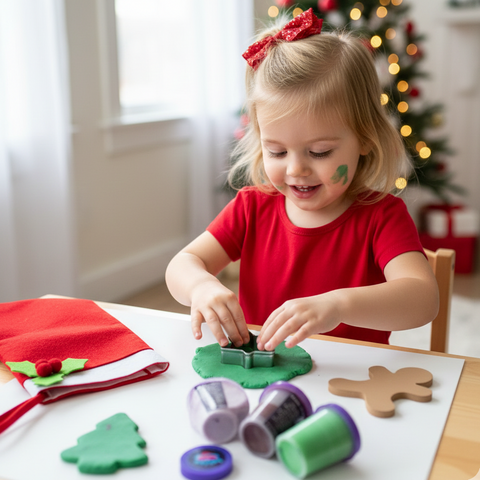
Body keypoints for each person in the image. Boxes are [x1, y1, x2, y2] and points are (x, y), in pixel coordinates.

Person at [166, 9, 439, 352]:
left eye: (320, 152)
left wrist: (338, 306)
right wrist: (200, 287)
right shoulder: (252, 207)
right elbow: (182, 265)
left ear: (365, 139)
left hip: (350, 383)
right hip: (262, 376)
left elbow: (423, 299)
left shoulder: (382, 217)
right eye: (277, 152)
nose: (296, 170)